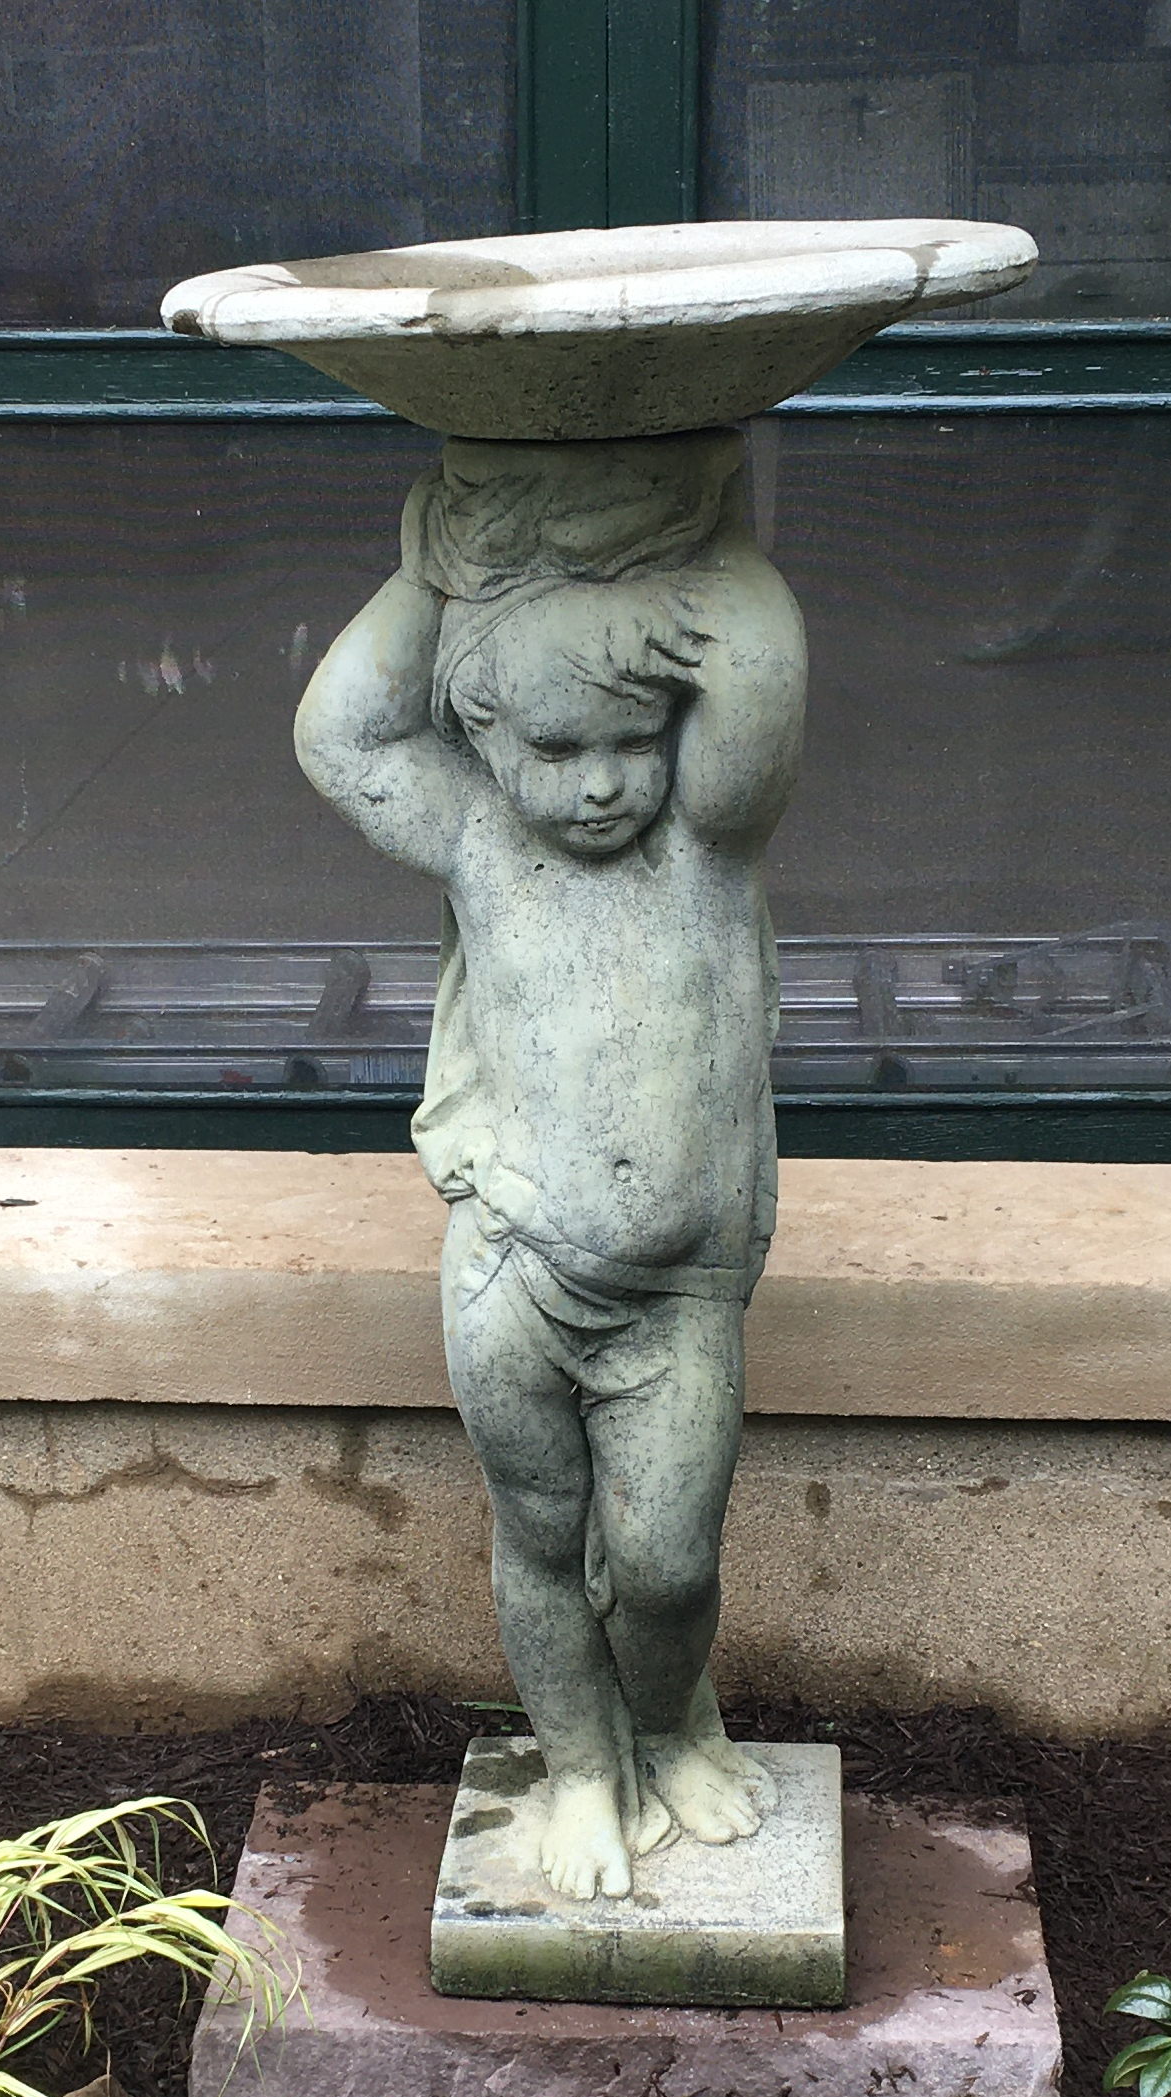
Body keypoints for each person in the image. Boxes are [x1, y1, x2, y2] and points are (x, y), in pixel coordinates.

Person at [296, 431, 807, 1899]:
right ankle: (581, 1774)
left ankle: (674, 1717)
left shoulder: (705, 849)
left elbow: (760, 691)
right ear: (483, 745)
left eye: (630, 744)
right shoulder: (474, 841)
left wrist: (697, 530)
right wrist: (437, 565)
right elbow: (337, 735)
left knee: (665, 1565)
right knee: (538, 1531)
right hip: (514, 1267)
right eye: (554, 752)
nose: (598, 787)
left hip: (677, 1294)